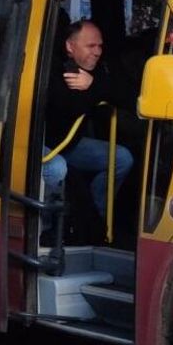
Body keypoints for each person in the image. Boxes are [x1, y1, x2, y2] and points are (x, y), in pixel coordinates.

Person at [45, 19, 135, 232]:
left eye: (100, 46)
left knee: (122, 159)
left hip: (69, 144)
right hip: (42, 144)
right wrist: (98, 90)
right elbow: (71, 106)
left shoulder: (95, 72)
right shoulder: (52, 67)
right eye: (91, 46)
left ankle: (94, 217)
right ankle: (44, 230)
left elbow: (129, 98)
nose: (97, 52)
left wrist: (93, 85)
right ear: (70, 46)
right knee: (56, 168)